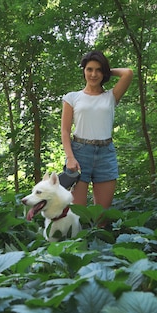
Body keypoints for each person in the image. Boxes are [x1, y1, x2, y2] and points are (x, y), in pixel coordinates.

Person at [61, 50, 133, 210]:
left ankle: (98, 235)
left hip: (106, 155)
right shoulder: (72, 97)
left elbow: (128, 73)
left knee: (101, 215)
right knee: (77, 214)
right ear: (83, 71)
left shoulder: (111, 96)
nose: (94, 74)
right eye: (89, 69)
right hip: (79, 154)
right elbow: (65, 131)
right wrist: (70, 158)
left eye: (99, 70)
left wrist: (108, 71)